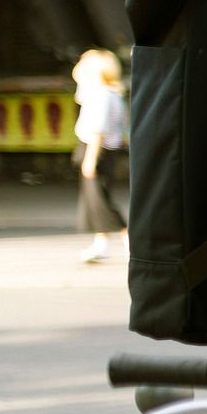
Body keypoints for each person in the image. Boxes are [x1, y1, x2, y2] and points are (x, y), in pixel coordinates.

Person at [71, 48, 129, 262]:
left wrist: (90, 160)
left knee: (101, 199)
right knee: (95, 200)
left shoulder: (101, 95)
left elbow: (98, 130)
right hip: (104, 149)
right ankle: (101, 242)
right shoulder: (110, 93)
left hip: (97, 149)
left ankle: (127, 237)